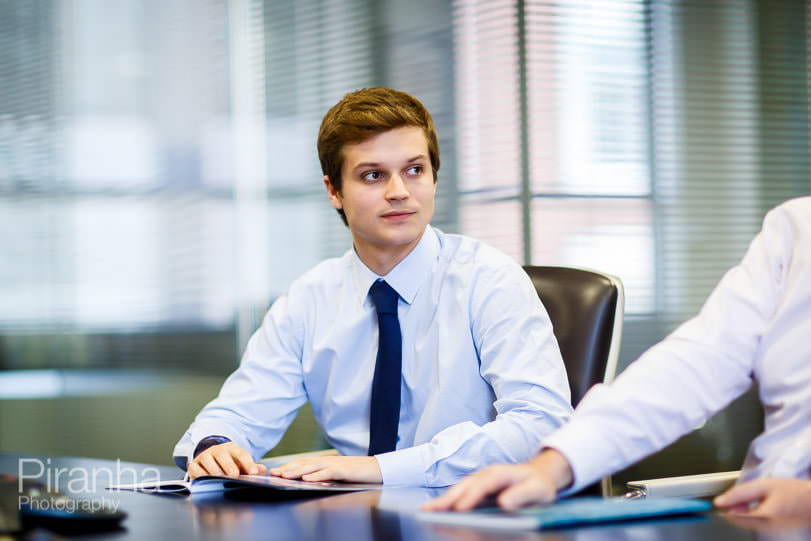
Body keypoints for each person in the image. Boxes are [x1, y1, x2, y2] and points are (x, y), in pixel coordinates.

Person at [173, 87, 573, 486]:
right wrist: (216, 446)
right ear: (334, 191)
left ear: (434, 177)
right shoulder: (310, 298)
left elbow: (539, 424)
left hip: (475, 513)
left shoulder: (489, 280)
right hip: (350, 514)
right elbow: (239, 412)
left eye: (414, 170)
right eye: (373, 175)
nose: (399, 191)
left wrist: (381, 469)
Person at [425, 197, 811, 518]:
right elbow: (696, 365)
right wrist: (550, 468)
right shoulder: (796, 228)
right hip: (757, 518)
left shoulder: (485, 275)